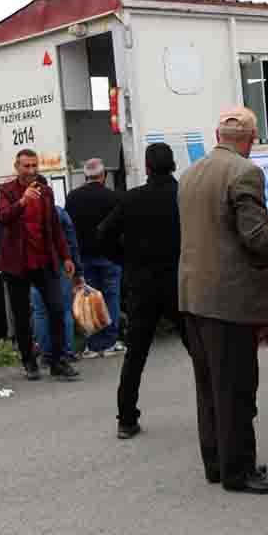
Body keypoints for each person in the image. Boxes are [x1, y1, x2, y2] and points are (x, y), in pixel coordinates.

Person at [178, 106, 268, 495]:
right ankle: (240, 471)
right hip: (230, 300)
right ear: (250, 140)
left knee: (208, 385)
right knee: (236, 386)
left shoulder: (189, 175)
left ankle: (217, 464)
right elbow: (254, 236)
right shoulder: (244, 173)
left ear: (216, 134)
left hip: (192, 296)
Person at [98, 143, 188, 440]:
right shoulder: (184, 196)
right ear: (173, 165)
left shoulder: (131, 199)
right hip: (180, 283)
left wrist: (125, 259)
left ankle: (126, 418)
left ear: (147, 167)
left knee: (135, 355)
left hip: (142, 285)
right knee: (200, 351)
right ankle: (215, 411)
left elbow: (103, 235)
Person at [0, 149, 80, 381]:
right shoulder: (7, 191)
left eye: (34, 166)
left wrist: (66, 257)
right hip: (17, 264)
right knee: (22, 315)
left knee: (56, 308)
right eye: (26, 166)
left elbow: (54, 227)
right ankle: (29, 361)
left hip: (44, 260)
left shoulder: (46, 192)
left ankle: (58, 360)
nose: (31, 171)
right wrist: (22, 201)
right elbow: (2, 218)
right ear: (17, 167)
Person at [66, 157, 125, 358]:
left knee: (88, 300)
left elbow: (69, 229)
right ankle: (110, 342)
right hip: (110, 256)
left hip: (83, 257)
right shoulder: (114, 197)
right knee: (111, 297)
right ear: (104, 175)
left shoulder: (72, 198)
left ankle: (92, 344)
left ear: (85, 176)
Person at [31, 204, 83, 363]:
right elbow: (71, 241)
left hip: (35, 265)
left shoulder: (25, 212)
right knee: (64, 308)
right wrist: (78, 270)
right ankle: (66, 351)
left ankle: (46, 354)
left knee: (40, 312)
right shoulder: (59, 212)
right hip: (60, 264)